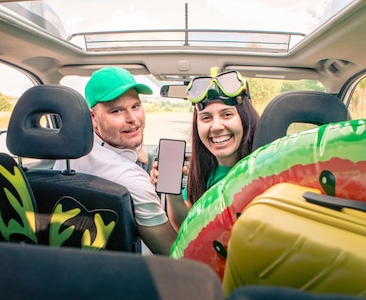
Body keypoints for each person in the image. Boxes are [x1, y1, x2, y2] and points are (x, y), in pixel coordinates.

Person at [53, 66, 178, 256]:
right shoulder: (132, 180)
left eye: (135, 106)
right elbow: (171, 252)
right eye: (117, 111)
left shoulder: (67, 156)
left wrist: (136, 152)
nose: (133, 119)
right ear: (93, 118)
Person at [150, 68, 259, 230]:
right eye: (206, 118)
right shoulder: (203, 171)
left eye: (227, 114)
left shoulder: (264, 169)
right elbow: (184, 225)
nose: (216, 127)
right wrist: (173, 193)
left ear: (245, 119)